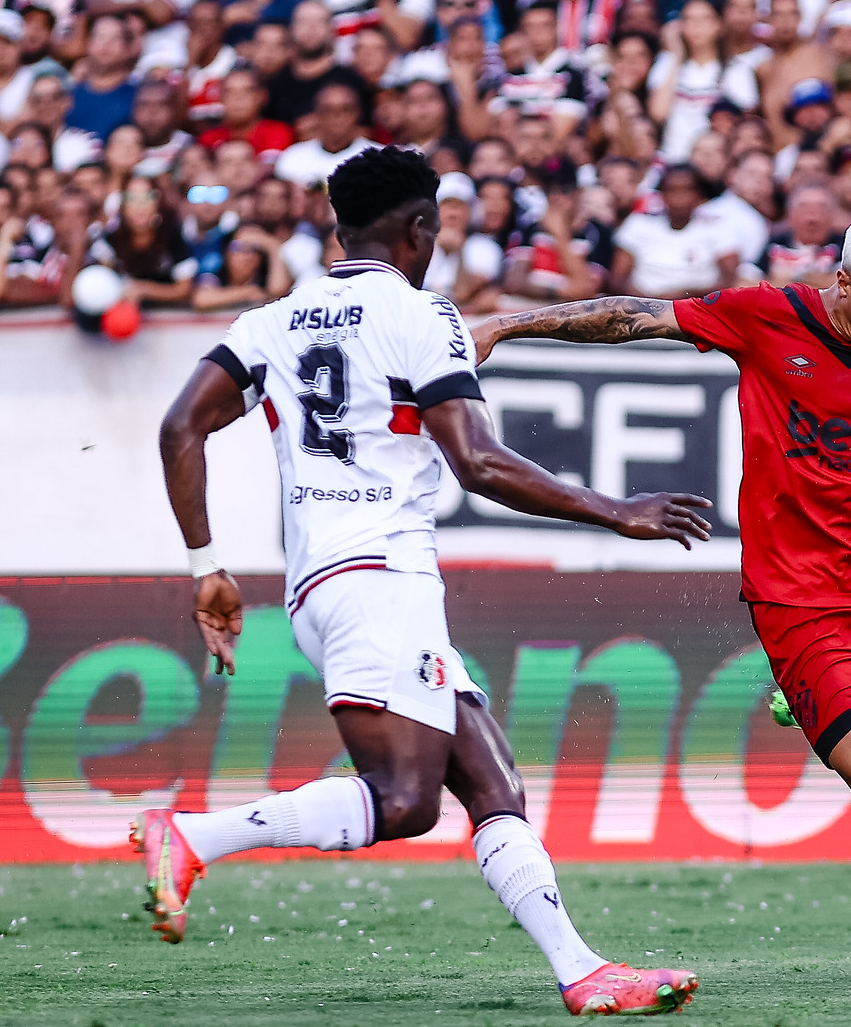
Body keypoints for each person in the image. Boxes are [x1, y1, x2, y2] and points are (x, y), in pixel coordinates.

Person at [138, 146, 706, 1017]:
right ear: (420, 230)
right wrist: (614, 509)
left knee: (490, 784)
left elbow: (181, 426)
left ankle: (582, 968)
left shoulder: (270, 320)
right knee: (403, 802)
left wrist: (204, 566)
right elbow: (476, 461)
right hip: (382, 579)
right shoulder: (419, 312)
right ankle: (192, 837)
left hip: (325, 587)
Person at [471, 212, 851, 992]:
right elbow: (637, 317)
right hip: (799, 604)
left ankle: (804, 700)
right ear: (841, 281)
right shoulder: (764, 316)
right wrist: (509, 323)